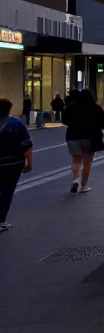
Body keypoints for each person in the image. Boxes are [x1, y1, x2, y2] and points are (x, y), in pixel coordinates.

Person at [63, 89, 104, 194]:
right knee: (87, 162)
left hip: (72, 136)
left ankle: (75, 181)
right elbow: (103, 123)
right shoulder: (96, 108)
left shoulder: (71, 108)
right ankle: (83, 186)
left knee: (76, 160)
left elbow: (64, 121)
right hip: (90, 137)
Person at [0, 98, 34, 232]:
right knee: (7, 191)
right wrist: (29, 163)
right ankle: (1, 220)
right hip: (13, 163)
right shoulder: (16, 123)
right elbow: (27, 145)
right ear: (9, 109)